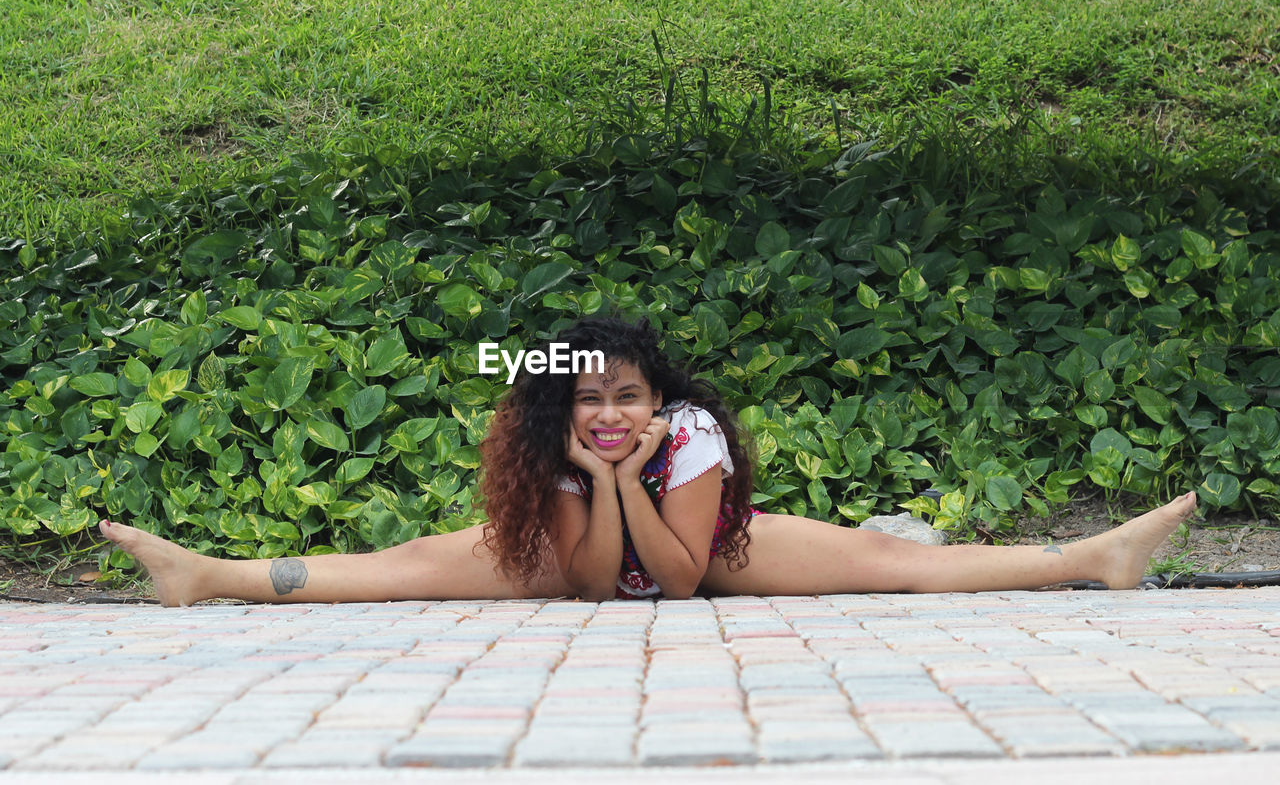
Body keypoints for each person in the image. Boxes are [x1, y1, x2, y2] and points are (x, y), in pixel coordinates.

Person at [99, 317, 1198, 607]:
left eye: (627, 397)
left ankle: (1089, 555)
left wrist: (626, 475)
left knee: (886, 560)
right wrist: (592, 477)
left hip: (705, 552)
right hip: (575, 553)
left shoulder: (694, 439)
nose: (610, 412)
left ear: (658, 400)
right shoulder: (550, 446)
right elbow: (592, 588)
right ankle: (207, 574)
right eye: (589, 400)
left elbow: (672, 584)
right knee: (402, 561)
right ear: (561, 404)